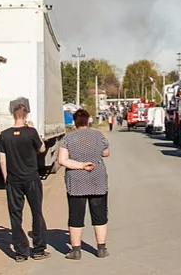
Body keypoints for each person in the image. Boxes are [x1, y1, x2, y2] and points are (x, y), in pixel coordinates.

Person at [0, 97, 49, 263]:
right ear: (26, 115)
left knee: (15, 215)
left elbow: (2, 160)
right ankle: (38, 249)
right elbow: (41, 148)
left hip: (14, 180)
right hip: (31, 178)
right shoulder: (31, 132)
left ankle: (20, 252)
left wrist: (7, 179)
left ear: (13, 115)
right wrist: (34, 131)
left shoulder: (4, 135)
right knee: (37, 212)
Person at [58, 109, 110, 260]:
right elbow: (106, 152)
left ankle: (75, 251)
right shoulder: (98, 135)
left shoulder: (68, 139)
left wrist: (81, 165)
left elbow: (62, 160)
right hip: (97, 180)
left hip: (76, 182)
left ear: (74, 122)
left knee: (76, 216)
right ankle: (101, 248)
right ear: (88, 120)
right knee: (100, 215)